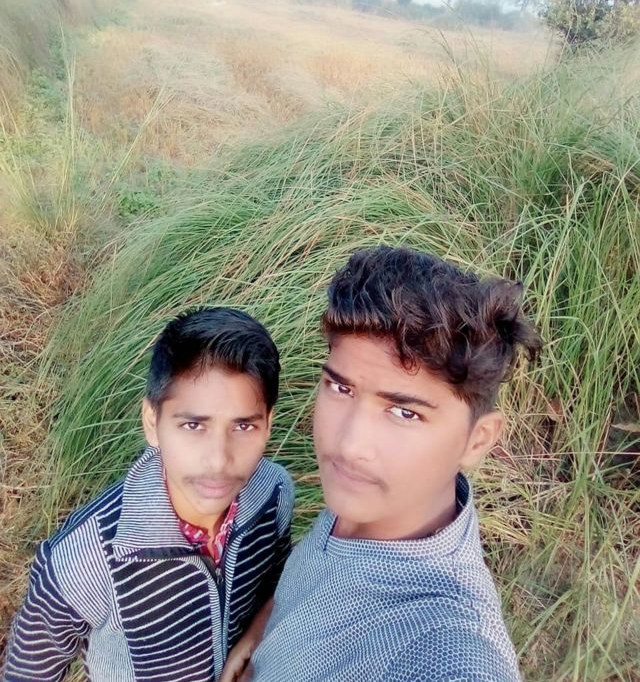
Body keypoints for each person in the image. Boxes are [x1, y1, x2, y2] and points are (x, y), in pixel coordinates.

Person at [250, 245, 541, 682]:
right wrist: (261, 633)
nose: (350, 444)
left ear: (477, 440)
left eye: (405, 413)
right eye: (341, 389)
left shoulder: (451, 649)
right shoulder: (372, 494)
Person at [4, 307, 295, 682]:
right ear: (152, 423)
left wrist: (253, 640)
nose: (219, 460)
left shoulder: (273, 494)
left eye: (243, 426)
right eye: (193, 425)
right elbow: (28, 672)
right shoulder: (87, 557)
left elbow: (277, 588)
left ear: (268, 425)